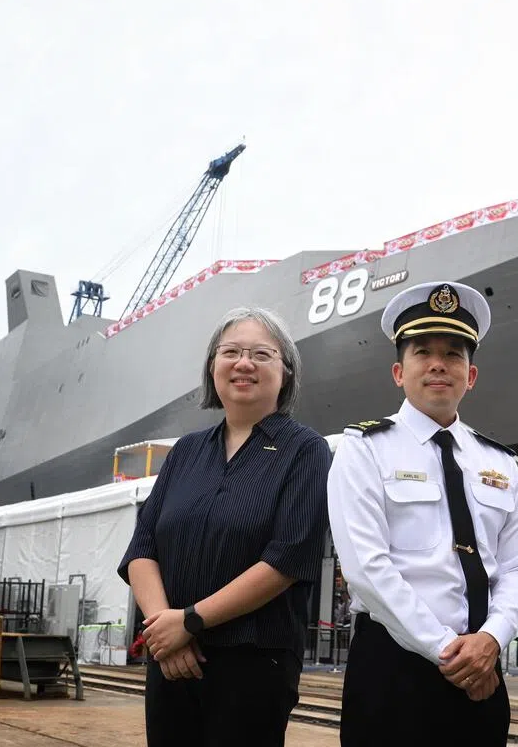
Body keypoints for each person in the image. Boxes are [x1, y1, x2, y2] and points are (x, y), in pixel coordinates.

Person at [328, 281, 518, 747]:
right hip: (394, 668)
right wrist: (449, 652)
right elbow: (367, 569)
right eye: (423, 351)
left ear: (472, 375)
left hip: (483, 666)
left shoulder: (500, 464)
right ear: (399, 372)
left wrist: (491, 640)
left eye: (454, 354)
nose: (439, 364)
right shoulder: (364, 450)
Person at [117, 306, 331, 747]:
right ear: (212, 367)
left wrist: (191, 622)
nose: (244, 363)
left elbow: (288, 557)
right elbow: (142, 547)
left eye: (261, 354)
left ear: (286, 371)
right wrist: (165, 631)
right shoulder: (186, 452)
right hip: (171, 658)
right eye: (230, 351)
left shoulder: (305, 450)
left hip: (253, 662)